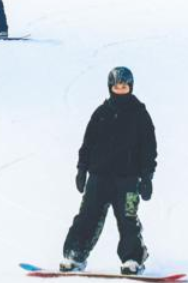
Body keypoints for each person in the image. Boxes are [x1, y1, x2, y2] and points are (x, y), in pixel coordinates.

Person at [60, 67, 157, 276]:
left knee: (128, 218)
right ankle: (74, 255)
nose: (120, 90)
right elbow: (87, 145)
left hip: (128, 180)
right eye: (116, 86)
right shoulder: (101, 113)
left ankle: (133, 258)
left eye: (124, 86)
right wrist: (81, 170)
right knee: (87, 216)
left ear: (130, 87)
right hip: (99, 177)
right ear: (110, 88)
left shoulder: (140, 114)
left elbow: (149, 149)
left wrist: (147, 177)